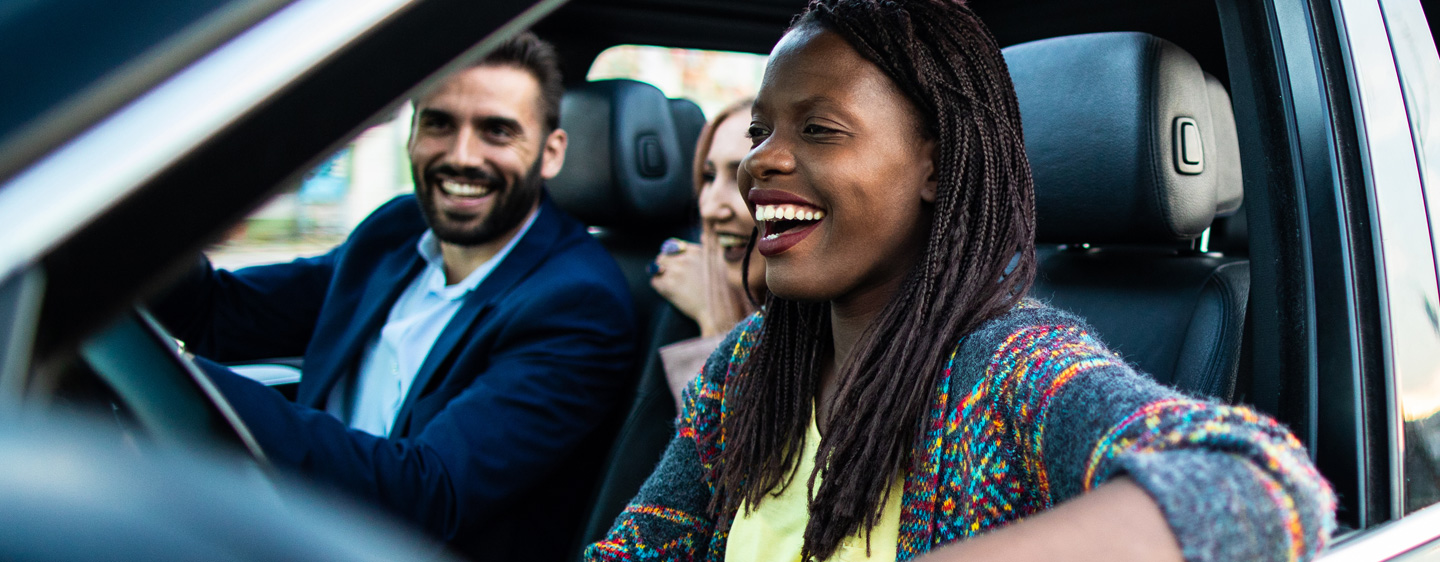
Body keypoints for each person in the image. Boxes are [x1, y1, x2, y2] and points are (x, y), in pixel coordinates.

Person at [584, 1, 1335, 561]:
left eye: (818, 129)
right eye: (760, 132)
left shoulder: (1009, 367)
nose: (758, 164)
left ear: (937, 167)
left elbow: (1257, 484)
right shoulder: (749, 365)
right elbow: (645, 544)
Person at [153, 32, 636, 561]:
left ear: (550, 153)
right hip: (293, 527)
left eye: (497, 131)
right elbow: (219, 312)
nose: (462, 156)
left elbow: (426, 493)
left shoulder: (579, 304)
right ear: (411, 134)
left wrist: (175, 381)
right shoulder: (396, 231)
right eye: (439, 124)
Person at [648, 98, 767, 407]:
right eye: (709, 176)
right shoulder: (675, 296)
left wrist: (716, 327)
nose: (711, 208)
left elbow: (731, 453)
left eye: (745, 177)